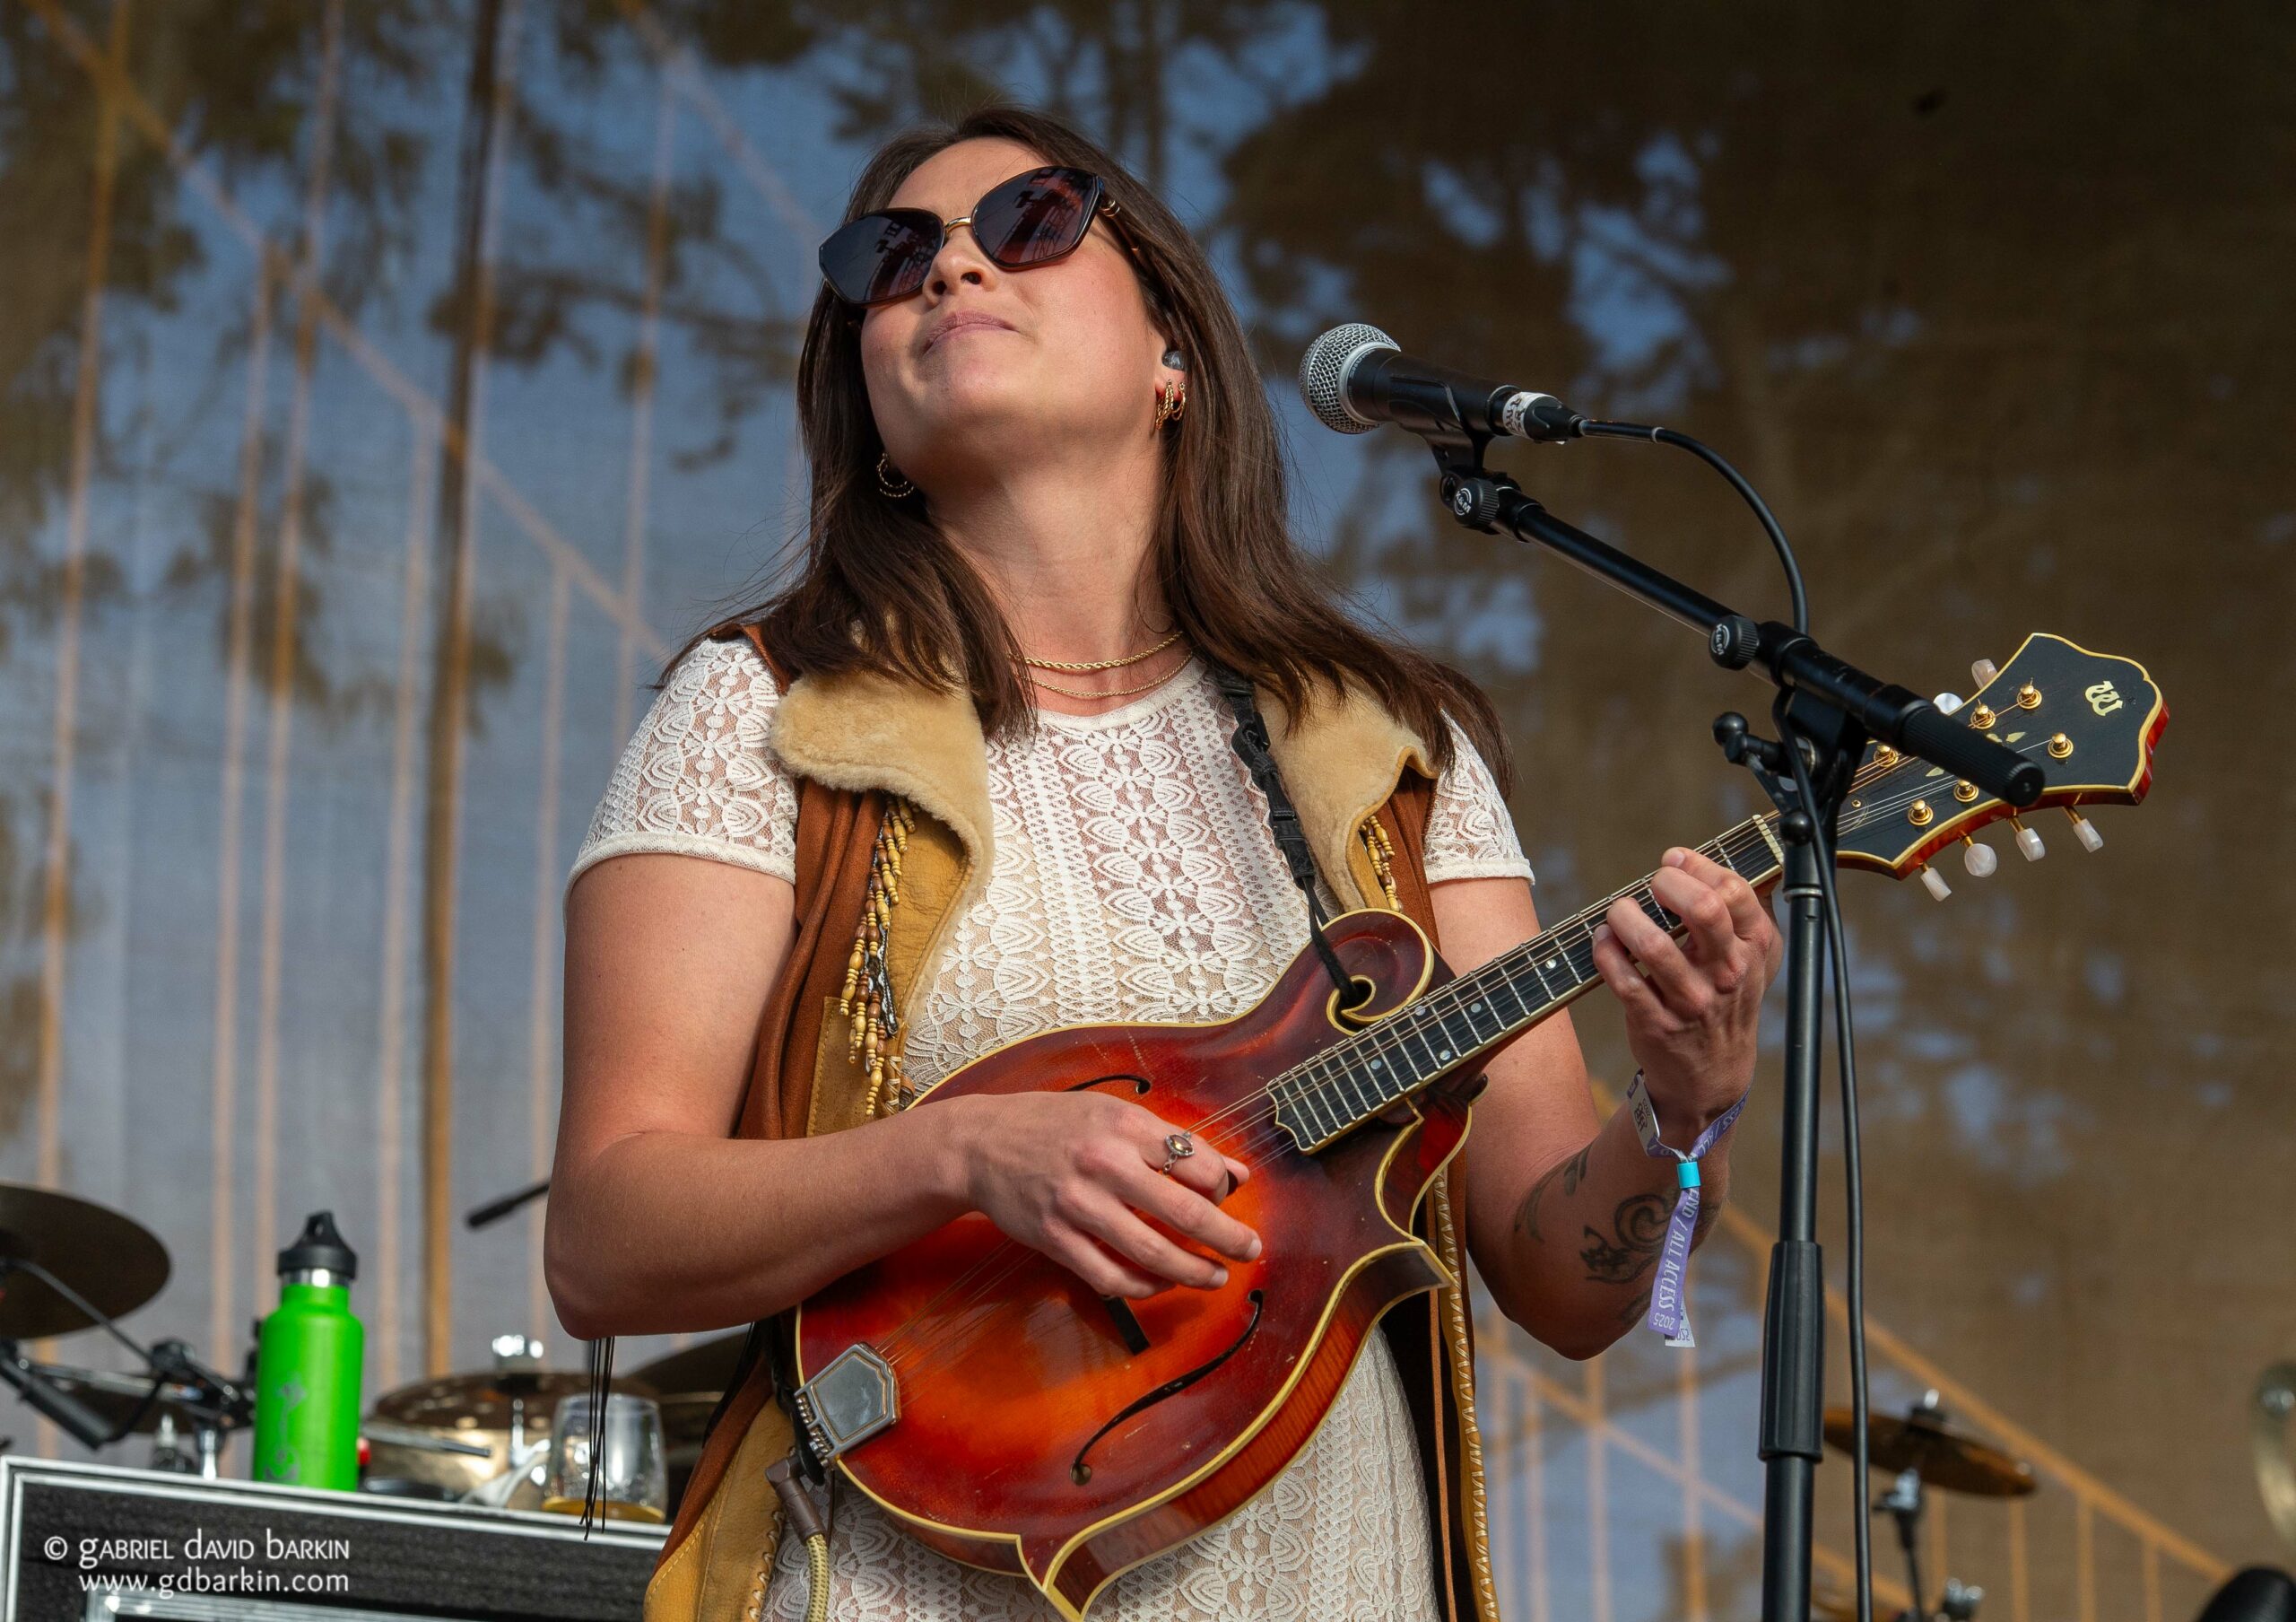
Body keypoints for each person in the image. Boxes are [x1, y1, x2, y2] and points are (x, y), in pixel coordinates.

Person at [546, 104, 1781, 1622]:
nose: (951, 270)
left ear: (1172, 355)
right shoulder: (762, 712)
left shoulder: (1391, 752)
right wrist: (965, 1156)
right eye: (891, 257)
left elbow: (1566, 1287)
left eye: (1030, 225)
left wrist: (1683, 1109)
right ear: (864, 397)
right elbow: (604, 1242)